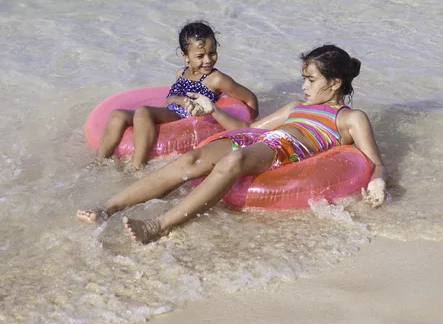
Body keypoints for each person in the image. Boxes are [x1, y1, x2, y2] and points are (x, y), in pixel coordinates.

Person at [78, 44, 387, 241]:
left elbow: (374, 161)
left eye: (311, 80)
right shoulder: (295, 107)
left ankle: (159, 226)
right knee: (191, 161)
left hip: (287, 148)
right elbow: (250, 128)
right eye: (303, 79)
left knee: (233, 163)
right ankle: (108, 207)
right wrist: (213, 109)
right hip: (258, 139)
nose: (304, 86)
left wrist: (378, 182)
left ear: (334, 83)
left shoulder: (350, 118)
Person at [92, 20, 258, 169]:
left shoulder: (216, 79)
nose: (208, 60)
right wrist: (174, 99)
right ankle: (98, 162)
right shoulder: (181, 73)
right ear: (185, 56)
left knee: (143, 111)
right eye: (200, 56)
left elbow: (249, 97)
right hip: (171, 112)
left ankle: (137, 166)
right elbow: (171, 99)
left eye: (212, 52)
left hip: (184, 118)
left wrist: (250, 121)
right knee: (117, 114)